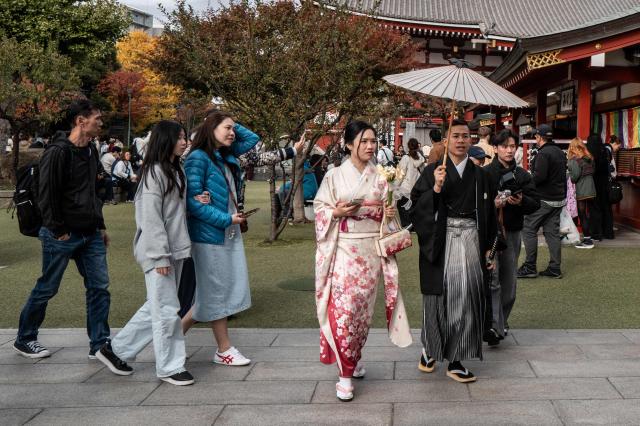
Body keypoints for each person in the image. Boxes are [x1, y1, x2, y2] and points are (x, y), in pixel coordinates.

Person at [96, 120, 210, 385]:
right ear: (166, 140)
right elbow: (150, 218)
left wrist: (194, 202)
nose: (184, 142)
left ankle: (115, 350)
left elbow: (173, 210)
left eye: (185, 137)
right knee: (168, 310)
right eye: (180, 137)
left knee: (159, 307)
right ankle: (170, 367)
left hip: (176, 249)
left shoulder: (173, 169)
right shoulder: (154, 172)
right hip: (160, 252)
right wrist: (159, 256)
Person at [314, 120, 411, 401]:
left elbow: (388, 221)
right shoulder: (334, 175)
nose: (370, 146)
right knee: (346, 309)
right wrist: (336, 213)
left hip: (370, 253)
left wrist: (388, 212)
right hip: (344, 250)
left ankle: (353, 358)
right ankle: (344, 375)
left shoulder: (381, 177)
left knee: (363, 313)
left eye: (373, 141)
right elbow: (321, 209)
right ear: (348, 144)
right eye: (364, 141)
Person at [14, 100, 112, 359]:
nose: (101, 122)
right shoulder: (57, 152)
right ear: (81, 121)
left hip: (90, 233)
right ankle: (25, 338)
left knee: (99, 287)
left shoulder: (91, 151)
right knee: (48, 287)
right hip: (62, 234)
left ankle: (99, 344)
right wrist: (58, 231)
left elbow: (94, 192)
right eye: (97, 118)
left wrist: (100, 226)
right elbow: (46, 195)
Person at [409, 119, 497, 383]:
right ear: (446, 140)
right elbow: (415, 208)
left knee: (467, 296)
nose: (461, 140)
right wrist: (435, 188)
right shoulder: (433, 170)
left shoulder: (481, 175)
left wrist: (490, 250)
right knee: (438, 298)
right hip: (440, 239)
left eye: (465, 136)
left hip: (471, 238)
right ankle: (431, 348)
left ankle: (457, 359)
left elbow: (490, 214)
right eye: (455, 136)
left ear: (471, 141)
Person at [181, 110, 259, 367]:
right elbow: (194, 204)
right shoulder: (197, 158)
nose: (233, 133)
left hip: (226, 231)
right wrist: (227, 219)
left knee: (210, 294)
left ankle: (170, 341)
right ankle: (224, 349)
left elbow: (252, 138)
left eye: (233, 129)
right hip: (210, 234)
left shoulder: (223, 155)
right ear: (211, 128)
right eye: (227, 128)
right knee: (216, 293)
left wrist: (229, 120)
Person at [485, 129, 540, 343]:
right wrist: (493, 203)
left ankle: (501, 321)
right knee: (492, 280)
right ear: (495, 148)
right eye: (504, 146)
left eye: (512, 146)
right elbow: (476, 204)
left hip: (513, 232)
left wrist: (521, 202)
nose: (509, 150)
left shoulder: (523, 175)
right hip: (490, 233)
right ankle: (493, 325)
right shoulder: (485, 173)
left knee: (509, 281)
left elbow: (535, 203)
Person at [518, 124, 567, 279]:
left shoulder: (543, 153)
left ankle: (530, 266)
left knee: (528, 228)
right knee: (552, 233)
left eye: (536, 136)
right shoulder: (559, 152)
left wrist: (525, 181)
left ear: (539, 137)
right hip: (558, 198)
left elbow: (539, 177)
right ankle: (554, 268)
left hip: (545, 199)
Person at [586, 134, 615, 240]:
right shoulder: (606, 151)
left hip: (594, 183)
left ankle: (596, 233)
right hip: (606, 184)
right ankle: (608, 233)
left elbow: (592, 170)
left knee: (595, 208)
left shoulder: (592, 154)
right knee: (606, 208)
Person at [396, 138, 426, 227]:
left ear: (408, 146)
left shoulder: (406, 158)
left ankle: (406, 224)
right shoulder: (421, 158)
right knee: (414, 207)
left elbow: (400, 174)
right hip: (417, 187)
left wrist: (395, 186)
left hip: (406, 187)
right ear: (417, 146)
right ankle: (413, 225)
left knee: (402, 206)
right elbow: (423, 172)